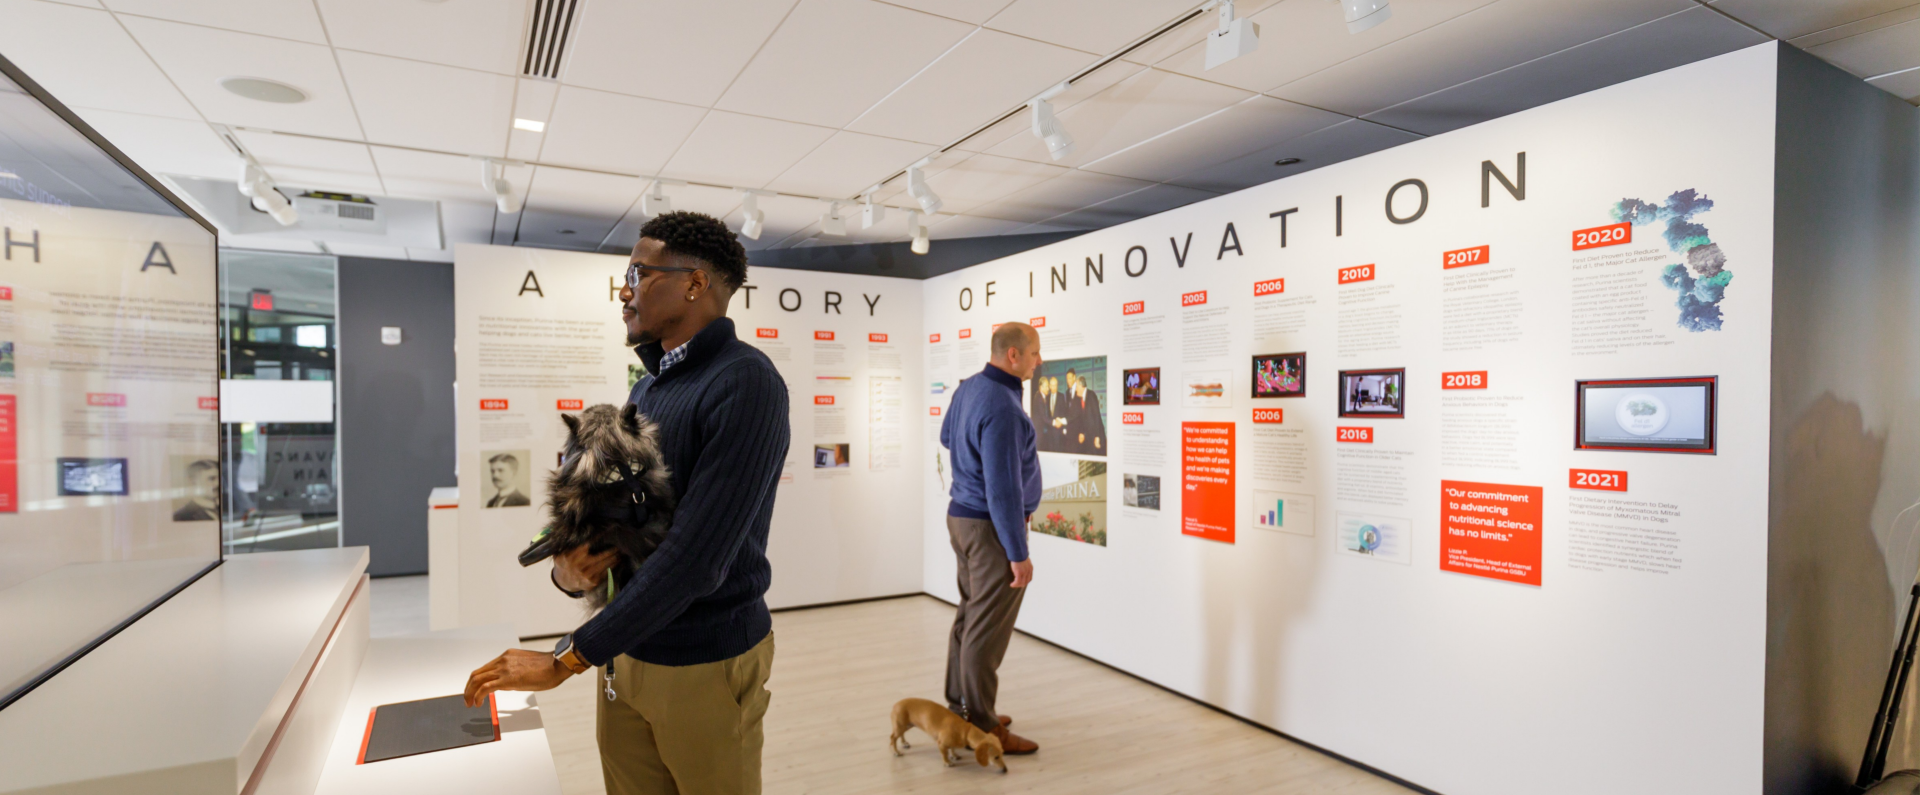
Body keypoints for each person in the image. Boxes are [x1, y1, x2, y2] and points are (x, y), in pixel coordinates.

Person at [464, 211, 790, 795]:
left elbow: (697, 559)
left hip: (703, 663)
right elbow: (627, 524)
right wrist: (569, 572)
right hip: (622, 650)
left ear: (694, 283)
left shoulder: (747, 382)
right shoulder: (648, 387)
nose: (625, 289)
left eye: (638, 273)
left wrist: (567, 657)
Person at [938, 321, 1043, 755]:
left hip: (962, 519)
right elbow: (1003, 489)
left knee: (969, 615)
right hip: (989, 529)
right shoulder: (1002, 406)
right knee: (986, 627)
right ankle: (981, 723)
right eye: (1035, 352)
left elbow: (947, 436)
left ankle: (960, 705)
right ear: (1013, 355)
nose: (1041, 360)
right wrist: (1017, 552)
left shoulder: (969, 388)